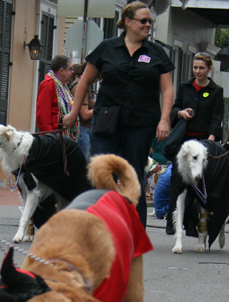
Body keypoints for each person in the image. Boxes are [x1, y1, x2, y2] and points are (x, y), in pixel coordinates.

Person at [62, 1, 175, 227]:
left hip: (141, 123)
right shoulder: (107, 48)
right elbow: (84, 80)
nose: (148, 25)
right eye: (143, 21)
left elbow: (167, 89)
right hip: (107, 121)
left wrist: (164, 120)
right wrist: (74, 113)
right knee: (102, 174)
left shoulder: (156, 53)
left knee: (132, 176)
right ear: (128, 22)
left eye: (150, 21)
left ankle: (133, 230)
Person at [165, 52, 225, 234]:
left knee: (201, 183)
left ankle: (198, 225)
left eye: (201, 68)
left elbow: (217, 118)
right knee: (178, 181)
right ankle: (174, 224)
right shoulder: (185, 87)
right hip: (184, 142)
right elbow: (174, 108)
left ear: (209, 69)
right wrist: (181, 113)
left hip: (204, 141)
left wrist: (211, 140)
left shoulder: (216, 91)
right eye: (195, 67)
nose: (197, 71)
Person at [36, 55, 77, 138]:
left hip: (63, 137)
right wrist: (49, 137)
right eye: (70, 69)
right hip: (53, 138)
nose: (73, 72)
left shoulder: (63, 87)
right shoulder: (48, 84)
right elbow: (43, 115)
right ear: (61, 70)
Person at [70, 63, 95, 156]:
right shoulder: (80, 87)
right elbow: (84, 114)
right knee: (82, 164)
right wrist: (100, 108)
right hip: (83, 131)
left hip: (85, 130)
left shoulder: (85, 87)